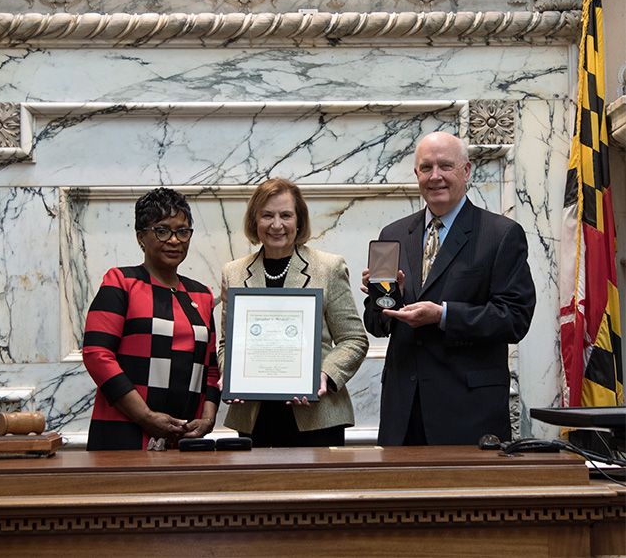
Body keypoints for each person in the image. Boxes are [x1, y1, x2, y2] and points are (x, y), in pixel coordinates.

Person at [363, 131, 535, 446]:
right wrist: (385, 299)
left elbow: (514, 318)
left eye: (445, 166)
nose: (435, 176)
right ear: (416, 174)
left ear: (466, 171)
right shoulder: (394, 233)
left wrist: (443, 315)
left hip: (469, 414)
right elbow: (377, 325)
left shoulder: (501, 234)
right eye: (426, 168)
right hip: (404, 414)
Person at [218, 177, 369, 447]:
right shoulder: (234, 272)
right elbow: (226, 344)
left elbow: (354, 339)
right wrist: (229, 374)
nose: (277, 225)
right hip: (254, 417)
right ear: (255, 221)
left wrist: (322, 375)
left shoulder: (328, 267)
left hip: (318, 416)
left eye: (285, 215)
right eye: (267, 215)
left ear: (299, 221)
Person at [83, 188, 220, 450]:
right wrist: (145, 417)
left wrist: (208, 418)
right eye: (162, 230)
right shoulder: (121, 282)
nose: (174, 240)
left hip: (184, 440)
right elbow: (96, 354)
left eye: (183, 231)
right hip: (123, 435)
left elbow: (211, 368)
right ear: (140, 237)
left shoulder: (201, 295)